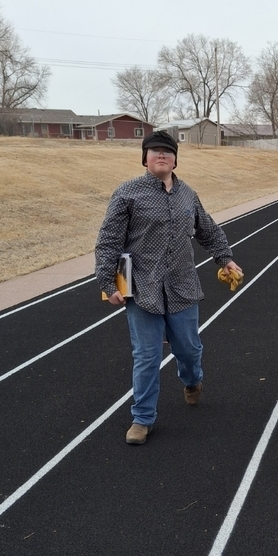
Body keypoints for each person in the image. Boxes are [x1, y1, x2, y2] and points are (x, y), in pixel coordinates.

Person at [95, 130, 242, 445]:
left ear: (175, 158)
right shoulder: (127, 194)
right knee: (146, 356)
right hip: (142, 289)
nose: (161, 155)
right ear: (145, 158)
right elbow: (108, 241)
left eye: (168, 151)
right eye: (155, 151)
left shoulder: (188, 194)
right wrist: (109, 282)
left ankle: (192, 381)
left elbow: (208, 229)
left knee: (188, 350)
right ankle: (142, 418)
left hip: (183, 286)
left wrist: (224, 259)